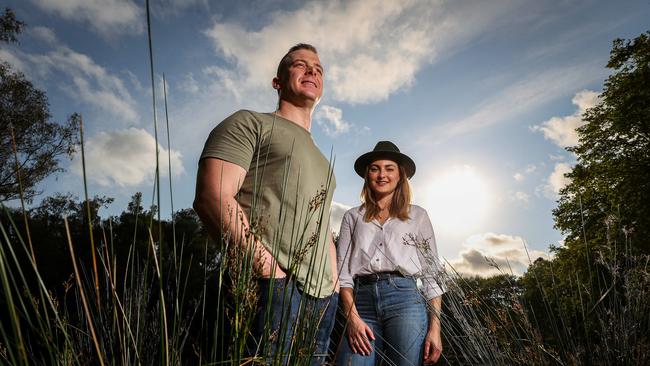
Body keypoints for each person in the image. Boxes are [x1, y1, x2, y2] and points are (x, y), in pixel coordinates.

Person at [193, 43, 339, 365]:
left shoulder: (322, 159)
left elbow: (323, 225)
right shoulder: (250, 123)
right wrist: (269, 271)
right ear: (277, 82)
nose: (312, 70)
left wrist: (335, 285)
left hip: (324, 299)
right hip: (271, 288)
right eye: (300, 65)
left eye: (318, 67)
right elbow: (212, 196)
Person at [335, 141, 445, 365]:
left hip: (405, 300)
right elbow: (342, 275)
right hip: (361, 302)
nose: (381, 174)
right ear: (367, 175)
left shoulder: (418, 216)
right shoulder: (352, 217)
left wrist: (435, 328)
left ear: (400, 175)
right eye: (375, 168)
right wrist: (352, 318)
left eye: (389, 168)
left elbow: (432, 275)